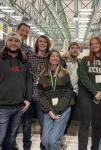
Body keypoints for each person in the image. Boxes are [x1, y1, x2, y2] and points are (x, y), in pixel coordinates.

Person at [0, 22, 33, 150]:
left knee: (11, 137)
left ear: (20, 44)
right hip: (2, 106)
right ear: (6, 42)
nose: (13, 43)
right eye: (11, 40)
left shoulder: (24, 61)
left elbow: (28, 80)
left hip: (18, 106)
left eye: (16, 41)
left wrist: (28, 99)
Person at [78, 36, 101, 150]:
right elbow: (83, 77)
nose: (94, 45)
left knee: (97, 124)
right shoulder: (85, 60)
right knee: (84, 123)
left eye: (96, 43)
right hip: (86, 93)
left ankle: (95, 147)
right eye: (92, 44)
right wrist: (94, 92)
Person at [37, 49, 74, 150]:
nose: (54, 58)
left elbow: (69, 92)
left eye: (57, 56)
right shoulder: (42, 74)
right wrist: (50, 110)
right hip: (48, 110)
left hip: (63, 109)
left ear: (59, 59)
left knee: (53, 141)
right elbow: (41, 94)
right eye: (52, 56)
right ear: (49, 58)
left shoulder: (65, 73)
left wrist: (57, 109)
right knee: (45, 141)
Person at [27, 35, 51, 150]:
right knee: (27, 124)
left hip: (42, 96)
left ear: (47, 44)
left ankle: (43, 146)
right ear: (37, 43)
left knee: (43, 124)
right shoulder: (29, 56)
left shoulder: (50, 58)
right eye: (40, 41)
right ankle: (27, 146)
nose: (42, 44)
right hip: (29, 94)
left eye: (45, 42)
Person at [61, 42, 81, 148]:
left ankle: (62, 136)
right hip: (63, 94)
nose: (75, 50)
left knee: (69, 117)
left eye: (77, 48)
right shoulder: (63, 61)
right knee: (61, 116)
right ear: (68, 50)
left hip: (75, 94)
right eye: (72, 48)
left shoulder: (80, 62)